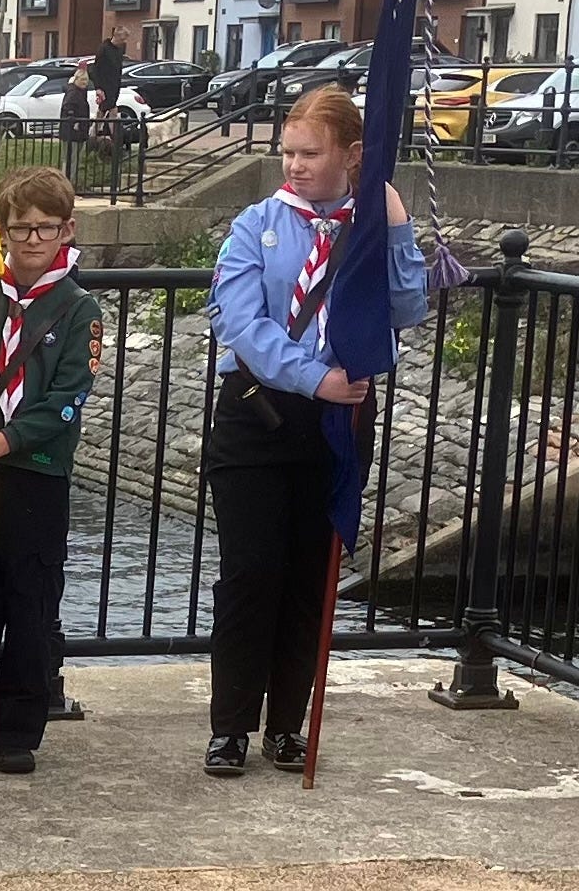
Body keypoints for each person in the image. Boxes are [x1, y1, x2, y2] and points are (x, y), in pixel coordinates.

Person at [202, 85, 428, 777]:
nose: (294, 165)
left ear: (351, 155)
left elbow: (408, 307)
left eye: (309, 153)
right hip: (258, 413)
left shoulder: (367, 228)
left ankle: (286, 727)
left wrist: (392, 226)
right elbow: (238, 322)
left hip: (338, 421)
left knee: (310, 577)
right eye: (288, 152)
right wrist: (312, 376)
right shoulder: (256, 225)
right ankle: (231, 728)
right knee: (251, 573)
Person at [0, 165, 102, 775]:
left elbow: (68, 399)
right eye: (19, 228)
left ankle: (18, 729)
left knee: (30, 608)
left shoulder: (79, 309)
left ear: (67, 230)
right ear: (1, 231)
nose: (32, 240)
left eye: (45, 228)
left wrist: (2, 443)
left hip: (33, 474)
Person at [89, 27, 127, 153]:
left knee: (103, 112)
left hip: (114, 86)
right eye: (122, 38)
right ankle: (113, 139)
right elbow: (95, 69)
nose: (124, 41)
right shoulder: (104, 49)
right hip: (105, 86)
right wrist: (98, 87)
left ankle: (93, 137)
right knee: (111, 111)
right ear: (116, 36)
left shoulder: (119, 50)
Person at [58, 69, 94, 189]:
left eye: (86, 80)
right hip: (72, 133)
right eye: (82, 79)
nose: (85, 82)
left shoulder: (81, 92)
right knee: (70, 161)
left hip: (79, 132)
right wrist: (75, 122)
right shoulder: (73, 92)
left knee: (75, 160)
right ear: (76, 79)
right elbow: (67, 109)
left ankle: (70, 185)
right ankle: (67, 186)